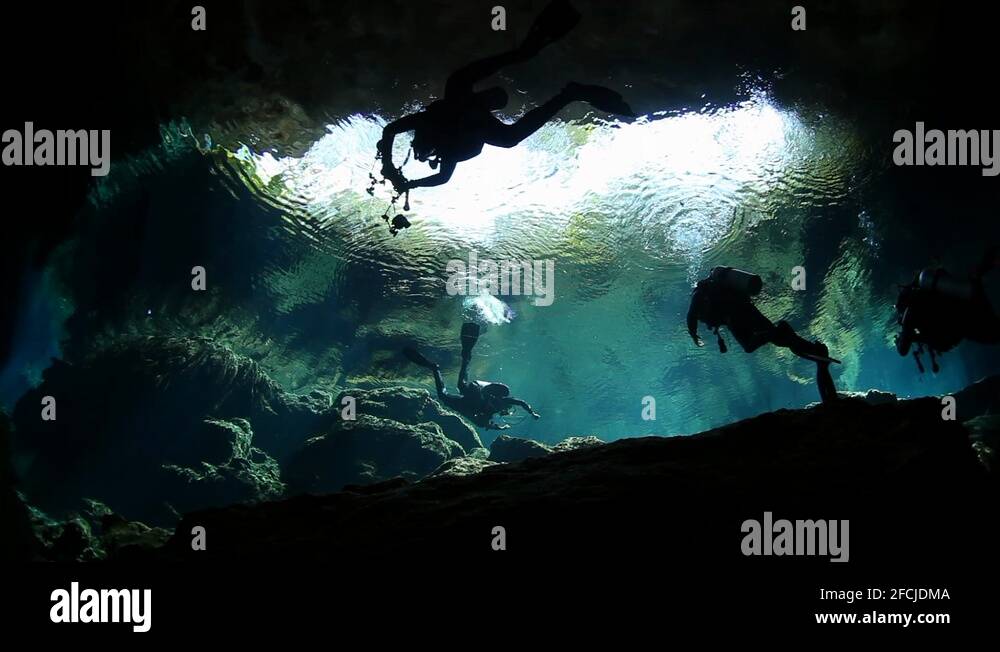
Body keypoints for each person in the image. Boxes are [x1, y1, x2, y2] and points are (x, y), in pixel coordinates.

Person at [376, 0, 635, 194]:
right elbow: (442, 178)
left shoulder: (424, 124)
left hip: (461, 92)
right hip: (468, 103)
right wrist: (410, 183)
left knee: (492, 75)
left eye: (420, 148)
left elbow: (390, 130)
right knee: (508, 139)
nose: (425, 148)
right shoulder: (449, 151)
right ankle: (567, 93)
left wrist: (390, 167)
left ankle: (539, 65)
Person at [687, 266, 839, 404]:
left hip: (734, 317)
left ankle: (780, 331)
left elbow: (691, 315)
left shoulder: (699, 294)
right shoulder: (715, 290)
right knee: (780, 339)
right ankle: (815, 351)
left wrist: (694, 334)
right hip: (748, 309)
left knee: (750, 345)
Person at [403, 322, 540, 430]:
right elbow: (520, 402)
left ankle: (439, 366)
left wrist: (497, 427)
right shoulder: (503, 402)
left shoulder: (492, 412)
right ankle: (453, 360)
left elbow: (484, 423)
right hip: (474, 393)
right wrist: (531, 412)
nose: (505, 412)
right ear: (507, 408)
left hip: (469, 399)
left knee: (448, 393)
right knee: (458, 387)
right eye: (507, 411)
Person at [895, 247, 1000, 372]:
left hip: (962, 321)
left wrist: (899, 341)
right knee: (994, 333)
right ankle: (979, 272)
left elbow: (903, 350)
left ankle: (979, 272)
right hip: (965, 307)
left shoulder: (911, 312)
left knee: (995, 334)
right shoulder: (923, 298)